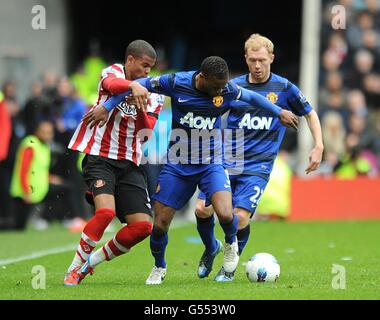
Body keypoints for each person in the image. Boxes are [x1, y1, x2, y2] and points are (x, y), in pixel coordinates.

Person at [85, 55, 299, 285]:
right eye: (215, 87)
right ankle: (159, 266)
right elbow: (136, 86)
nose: (220, 92)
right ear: (201, 78)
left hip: (211, 162)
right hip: (178, 164)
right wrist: (106, 106)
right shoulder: (176, 82)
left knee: (226, 213)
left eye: (222, 87)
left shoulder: (226, 89)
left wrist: (279, 112)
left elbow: (253, 98)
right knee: (159, 225)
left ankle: (230, 246)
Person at [195, 34, 324, 281]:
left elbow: (310, 114)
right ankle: (212, 247)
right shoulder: (232, 87)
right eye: (252, 60)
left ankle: (229, 268)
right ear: (245, 58)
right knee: (202, 209)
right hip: (226, 161)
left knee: (240, 216)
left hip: (258, 165)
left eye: (262, 60)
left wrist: (318, 145)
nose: (257, 65)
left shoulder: (285, 89)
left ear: (271, 58)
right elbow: (211, 113)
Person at [63, 40, 165, 286]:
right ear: (130, 60)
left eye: (150, 68)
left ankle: (90, 264)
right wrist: (132, 87)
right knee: (106, 212)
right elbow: (111, 85)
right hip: (100, 156)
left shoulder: (155, 94)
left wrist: (139, 105)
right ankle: (73, 268)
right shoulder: (113, 72)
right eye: (144, 66)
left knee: (142, 227)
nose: (147, 72)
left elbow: (147, 133)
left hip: (129, 163)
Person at [9, 120, 54, 230]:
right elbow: (23, 170)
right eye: (45, 132)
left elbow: (41, 168)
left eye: (50, 132)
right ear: (37, 132)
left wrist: (50, 178)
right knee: (17, 226)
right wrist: (26, 191)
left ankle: (41, 218)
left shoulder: (44, 146)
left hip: (38, 191)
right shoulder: (31, 144)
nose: (48, 135)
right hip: (25, 193)